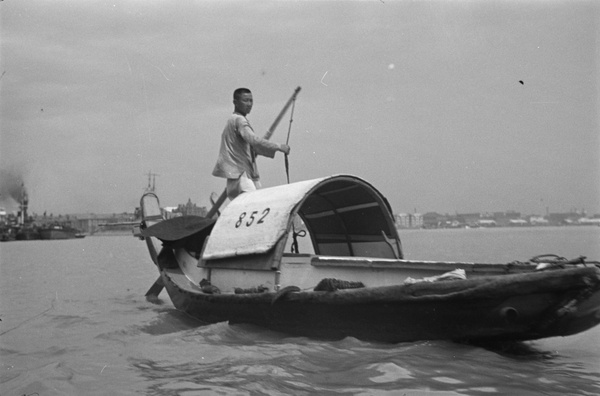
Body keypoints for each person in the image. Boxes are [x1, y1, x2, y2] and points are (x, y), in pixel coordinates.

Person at [212, 88, 291, 200]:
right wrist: (279, 147)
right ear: (235, 102)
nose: (249, 104)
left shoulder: (231, 120)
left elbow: (254, 147)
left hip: (234, 178)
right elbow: (254, 140)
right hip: (243, 177)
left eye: (251, 101)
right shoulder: (240, 120)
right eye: (245, 100)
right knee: (257, 204)